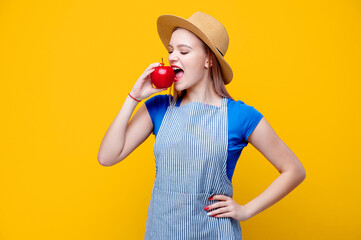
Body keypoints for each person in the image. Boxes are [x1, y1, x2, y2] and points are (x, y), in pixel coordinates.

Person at [97, 11, 306, 240]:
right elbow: (108, 157)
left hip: (215, 233)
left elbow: (294, 171)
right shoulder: (158, 107)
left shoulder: (239, 116)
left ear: (209, 59)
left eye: (183, 51)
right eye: (170, 51)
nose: (172, 57)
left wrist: (246, 210)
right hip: (162, 232)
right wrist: (134, 97)